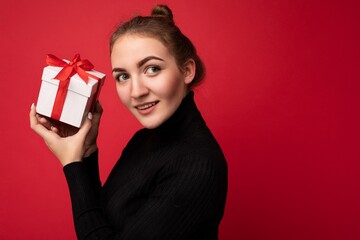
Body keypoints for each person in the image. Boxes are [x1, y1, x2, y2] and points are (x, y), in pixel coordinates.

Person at [30, 5, 227, 240]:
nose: (136, 92)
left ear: (186, 71)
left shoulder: (196, 165)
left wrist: (72, 165)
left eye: (152, 69)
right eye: (123, 76)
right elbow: (105, 222)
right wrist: (85, 153)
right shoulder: (144, 139)